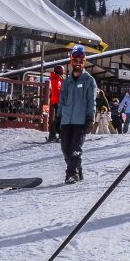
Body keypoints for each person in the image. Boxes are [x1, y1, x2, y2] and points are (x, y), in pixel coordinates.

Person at [57, 45, 96, 183]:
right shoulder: (67, 82)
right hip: (67, 120)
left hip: (80, 121)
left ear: (84, 62)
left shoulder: (88, 80)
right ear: (72, 62)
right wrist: (58, 118)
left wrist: (90, 118)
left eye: (81, 60)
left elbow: (91, 101)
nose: (78, 63)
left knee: (75, 148)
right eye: (76, 60)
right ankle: (77, 169)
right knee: (65, 149)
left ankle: (71, 174)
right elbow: (61, 101)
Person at [47, 65, 64, 142]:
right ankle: (54, 135)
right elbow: (58, 90)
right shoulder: (56, 79)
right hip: (58, 101)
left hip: (57, 100)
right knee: (59, 118)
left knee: (59, 118)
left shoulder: (57, 78)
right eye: (62, 71)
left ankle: (55, 135)